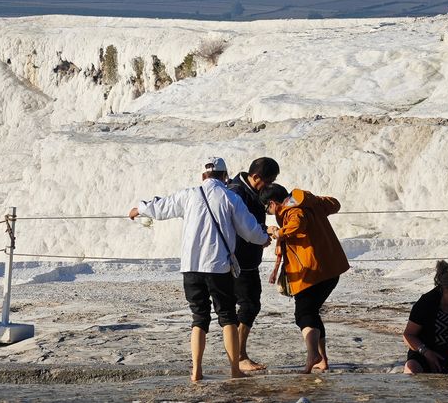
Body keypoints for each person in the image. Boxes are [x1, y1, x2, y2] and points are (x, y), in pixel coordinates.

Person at [128, 156, 270, 382]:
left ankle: (196, 370)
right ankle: (234, 369)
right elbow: (249, 230)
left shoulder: (189, 195)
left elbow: (161, 207)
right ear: (224, 176)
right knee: (227, 317)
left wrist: (139, 209)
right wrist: (263, 239)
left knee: (199, 317)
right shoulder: (230, 197)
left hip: (190, 267)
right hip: (218, 266)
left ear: (203, 176)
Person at [261, 183, 349, 373]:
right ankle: (322, 360)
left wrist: (277, 232)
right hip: (331, 269)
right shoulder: (310, 202)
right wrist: (314, 200)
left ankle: (312, 355)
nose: (268, 212)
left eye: (266, 208)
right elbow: (334, 204)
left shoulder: (292, 211)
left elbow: (298, 223)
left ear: (272, 203)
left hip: (311, 272)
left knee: (304, 314)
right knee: (313, 312)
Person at [227, 156, 280, 372]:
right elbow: (240, 224)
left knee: (241, 306)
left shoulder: (248, 190)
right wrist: (263, 231)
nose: (269, 186)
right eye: (268, 181)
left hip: (245, 257)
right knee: (249, 305)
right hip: (240, 259)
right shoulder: (238, 192)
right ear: (255, 176)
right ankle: (239, 357)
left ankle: (237, 355)